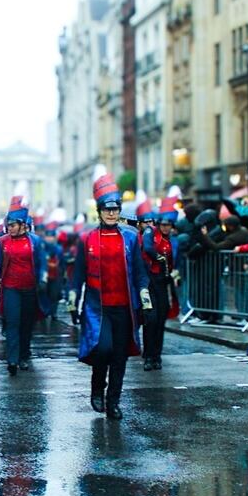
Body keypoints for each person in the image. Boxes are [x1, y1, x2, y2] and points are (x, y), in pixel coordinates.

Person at [68, 171, 152, 420]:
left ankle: (113, 401)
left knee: (119, 355)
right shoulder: (87, 239)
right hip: (98, 308)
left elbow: (140, 273)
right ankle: (97, 387)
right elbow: (77, 274)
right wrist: (73, 300)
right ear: (99, 211)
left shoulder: (130, 237)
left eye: (116, 209)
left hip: (125, 307)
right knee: (102, 349)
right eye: (107, 209)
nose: (112, 213)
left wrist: (145, 300)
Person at [0, 197, 49, 375]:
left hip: (30, 289)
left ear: (22, 225)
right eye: (8, 225)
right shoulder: (3, 241)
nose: (9, 228)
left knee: (26, 324)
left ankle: (24, 356)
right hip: (11, 288)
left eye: (12, 225)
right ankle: (12, 359)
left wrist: (42, 279)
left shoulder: (35, 241)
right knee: (13, 323)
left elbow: (42, 263)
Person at [140, 197, 183, 371]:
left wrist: (176, 272)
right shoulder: (150, 233)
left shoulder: (175, 241)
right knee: (150, 319)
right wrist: (159, 258)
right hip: (149, 282)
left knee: (160, 321)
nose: (166, 227)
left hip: (165, 284)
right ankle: (148, 356)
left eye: (169, 225)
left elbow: (179, 261)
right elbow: (148, 248)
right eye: (163, 224)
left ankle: (157, 355)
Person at [43, 221, 65, 320]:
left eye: (51, 236)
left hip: (56, 275)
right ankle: (45, 311)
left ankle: (53, 312)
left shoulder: (59, 249)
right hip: (46, 275)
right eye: (47, 236)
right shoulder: (42, 248)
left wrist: (63, 275)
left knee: (54, 295)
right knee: (45, 293)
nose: (49, 238)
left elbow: (62, 263)